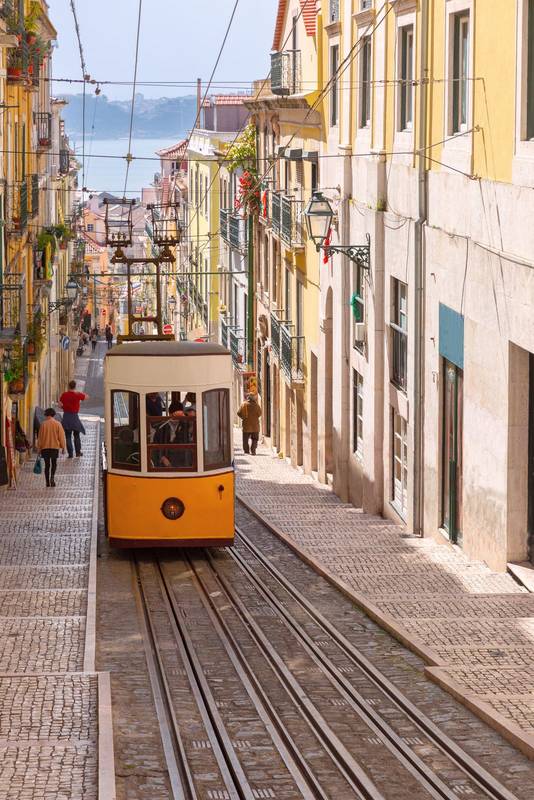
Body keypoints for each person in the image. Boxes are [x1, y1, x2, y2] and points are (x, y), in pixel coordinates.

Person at [153, 401, 193, 468]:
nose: (175, 420)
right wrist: (162, 458)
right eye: (173, 416)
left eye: (178, 417)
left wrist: (184, 417)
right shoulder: (162, 427)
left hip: (183, 464)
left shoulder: (185, 425)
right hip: (165, 464)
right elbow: (156, 446)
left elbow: (193, 427)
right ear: (169, 414)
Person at [37, 408, 66, 488]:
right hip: (54, 447)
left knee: (47, 465)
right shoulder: (58, 424)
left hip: (45, 448)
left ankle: (47, 482)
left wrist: (39, 449)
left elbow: (40, 438)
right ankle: (52, 478)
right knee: (54, 463)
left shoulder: (43, 424)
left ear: (46, 415)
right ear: (53, 415)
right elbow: (61, 437)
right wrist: (63, 447)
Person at [59, 380, 88, 458]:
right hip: (74, 417)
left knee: (68, 436)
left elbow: (60, 405)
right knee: (76, 435)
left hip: (66, 417)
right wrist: (78, 393)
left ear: (68, 386)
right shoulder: (77, 394)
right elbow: (86, 397)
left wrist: (64, 407)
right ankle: (78, 452)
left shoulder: (64, 395)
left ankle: (70, 454)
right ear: (75, 386)